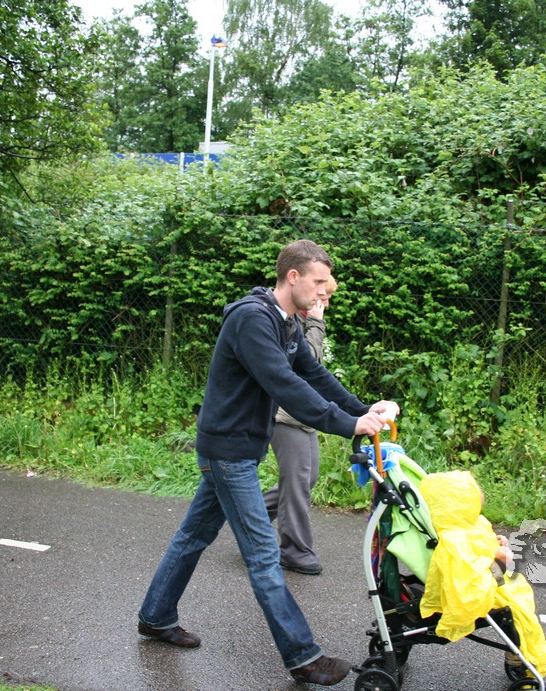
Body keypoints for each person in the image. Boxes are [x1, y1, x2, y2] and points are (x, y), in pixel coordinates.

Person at [137, 239, 399, 687]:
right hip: (227, 452)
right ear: (292, 276)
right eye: (319, 282)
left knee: (194, 536)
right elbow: (283, 384)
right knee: (262, 556)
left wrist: (363, 410)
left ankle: (156, 616)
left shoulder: (285, 322)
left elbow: (312, 375)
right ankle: (303, 656)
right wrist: (348, 424)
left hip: (237, 448)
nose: (324, 291)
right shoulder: (252, 319)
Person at [264, 275, 337, 576]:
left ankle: (249, 514)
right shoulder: (293, 322)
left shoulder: (304, 322)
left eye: (328, 297)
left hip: (304, 416)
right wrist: (317, 324)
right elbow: (308, 366)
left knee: (306, 479)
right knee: (297, 482)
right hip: (284, 415)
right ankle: (295, 551)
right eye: (323, 297)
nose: (326, 303)